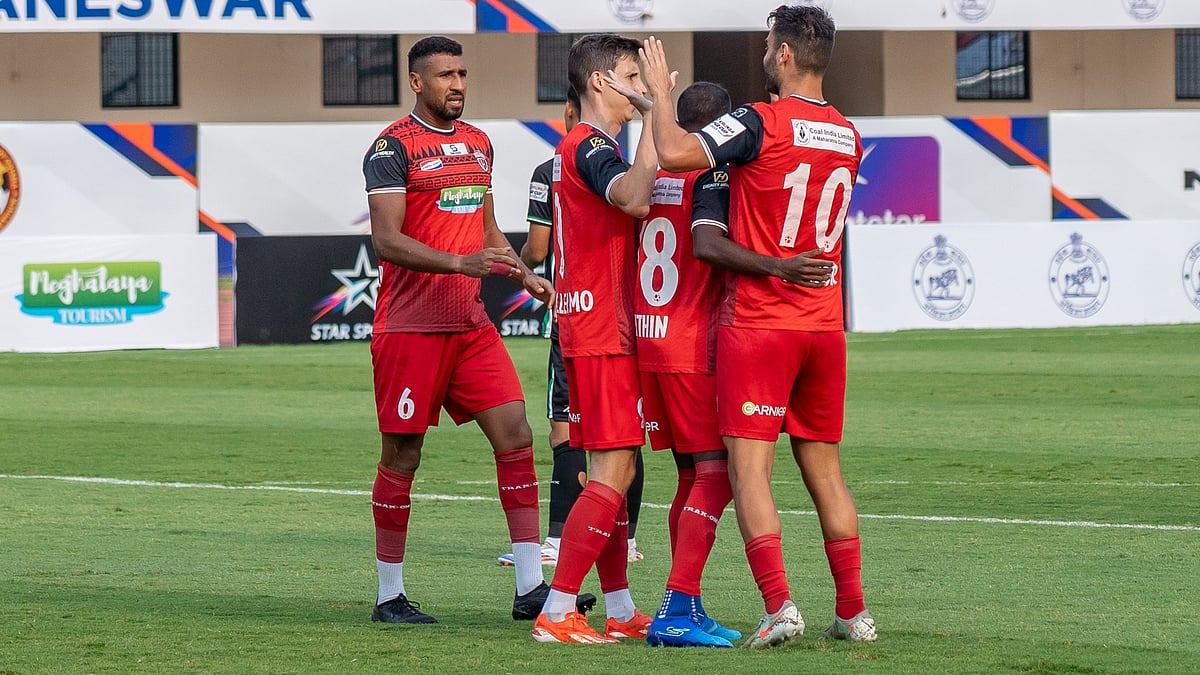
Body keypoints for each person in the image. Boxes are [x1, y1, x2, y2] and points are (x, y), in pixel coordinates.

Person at [637, 4, 878, 648]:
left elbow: (675, 150)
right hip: (825, 326)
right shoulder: (849, 134)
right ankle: (853, 613)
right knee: (826, 471)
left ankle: (779, 605)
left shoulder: (761, 121)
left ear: (787, 56)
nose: (765, 57)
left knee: (749, 473)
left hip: (760, 320)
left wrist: (661, 94)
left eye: (770, 47)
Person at [361, 35, 592, 625]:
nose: (457, 84)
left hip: (469, 323)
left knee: (516, 435)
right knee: (403, 454)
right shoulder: (391, 148)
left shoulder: (478, 144)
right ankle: (390, 595)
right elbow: (386, 240)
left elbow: (486, 229)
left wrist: (524, 272)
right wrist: (461, 264)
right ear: (417, 83)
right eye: (444, 75)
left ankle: (529, 588)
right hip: (410, 327)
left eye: (461, 73)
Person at [530, 33, 658, 645]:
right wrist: (661, 111)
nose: (641, 86)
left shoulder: (576, 147)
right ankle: (557, 610)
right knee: (613, 468)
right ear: (603, 82)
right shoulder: (589, 147)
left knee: (611, 471)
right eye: (634, 76)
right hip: (604, 330)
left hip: (586, 325)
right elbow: (634, 197)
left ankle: (620, 606)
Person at [497, 87, 648, 568]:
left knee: (568, 428)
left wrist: (523, 270)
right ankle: (624, 542)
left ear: (569, 109)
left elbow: (538, 250)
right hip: (629, 313)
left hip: (579, 311)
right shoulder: (621, 160)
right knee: (625, 432)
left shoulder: (553, 168)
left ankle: (561, 540)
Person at [622, 80, 744, 648]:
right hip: (694, 345)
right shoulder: (712, 174)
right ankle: (677, 604)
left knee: (692, 474)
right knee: (719, 475)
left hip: (650, 339)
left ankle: (686, 604)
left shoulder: (651, 174)